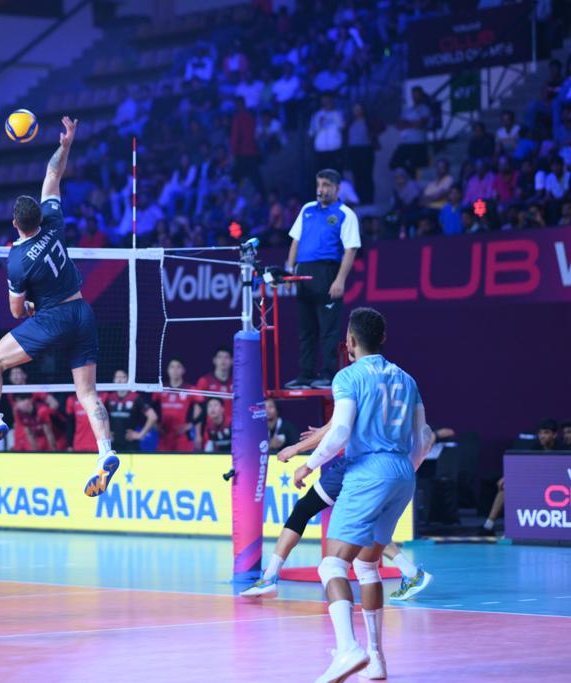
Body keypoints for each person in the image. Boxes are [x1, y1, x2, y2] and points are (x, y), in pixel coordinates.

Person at [0, 116, 119, 497]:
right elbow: (53, 174)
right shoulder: (54, 221)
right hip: (82, 311)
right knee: (87, 394)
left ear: (15, 224)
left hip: (53, 317)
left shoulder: (17, 259)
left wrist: (33, 303)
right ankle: (105, 452)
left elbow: (17, 312)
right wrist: (66, 143)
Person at [292, 307, 432, 681]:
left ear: (350, 342)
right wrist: (403, 470)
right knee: (367, 564)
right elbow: (425, 437)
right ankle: (376, 659)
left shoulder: (347, 376)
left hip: (367, 470)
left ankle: (348, 650)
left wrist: (308, 464)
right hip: (403, 473)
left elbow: (338, 433)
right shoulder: (407, 378)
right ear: (382, 339)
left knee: (332, 565)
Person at [240, 421, 434, 603]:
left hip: (356, 465)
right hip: (390, 468)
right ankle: (410, 573)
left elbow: (339, 426)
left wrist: (299, 451)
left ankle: (269, 579)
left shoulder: (354, 385)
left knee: (307, 514)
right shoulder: (402, 388)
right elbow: (425, 435)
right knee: (365, 526)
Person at [285, 169, 361, 390]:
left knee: (328, 328)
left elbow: (351, 249)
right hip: (304, 273)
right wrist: (289, 271)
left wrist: (340, 280)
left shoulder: (346, 213)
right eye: (319, 184)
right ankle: (306, 374)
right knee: (306, 329)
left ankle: (328, 374)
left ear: (337, 188)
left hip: (327, 272)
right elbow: (295, 242)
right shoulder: (307, 209)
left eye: (326, 185)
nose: (321, 189)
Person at [483, 419, 560, 534]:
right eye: (540, 433)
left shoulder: (562, 449)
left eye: (546, 433)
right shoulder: (535, 447)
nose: (542, 436)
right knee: (505, 486)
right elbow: (525, 467)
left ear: (554, 435)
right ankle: (488, 526)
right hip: (537, 483)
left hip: (556, 488)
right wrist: (507, 477)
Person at [105, 370, 158, 453]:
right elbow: (101, 417)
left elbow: (153, 416)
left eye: (123, 377)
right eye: (117, 377)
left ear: (128, 380)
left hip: (131, 445)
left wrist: (140, 435)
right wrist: (106, 433)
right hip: (113, 445)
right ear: (113, 380)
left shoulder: (135, 397)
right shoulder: (109, 398)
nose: (119, 380)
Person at [154, 358, 198, 452]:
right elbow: (150, 409)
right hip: (164, 439)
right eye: (172, 367)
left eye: (178, 367)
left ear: (183, 370)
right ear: (168, 370)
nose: (175, 370)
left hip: (183, 440)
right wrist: (155, 425)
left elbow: (203, 408)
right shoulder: (160, 390)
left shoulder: (190, 389)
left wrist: (190, 425)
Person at [195, 347, 233, 417]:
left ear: (232, 361)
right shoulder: (204, 381)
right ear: (214, 360)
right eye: (220, 357)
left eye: (226, 357)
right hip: (210, 427)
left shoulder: (237, 383)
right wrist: (197, 427)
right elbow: (198, 406)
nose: (223, 360)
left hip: (233, 425)